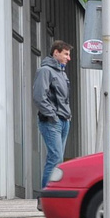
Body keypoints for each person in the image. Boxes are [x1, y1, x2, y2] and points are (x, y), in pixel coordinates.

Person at [33, 40, 73, 191]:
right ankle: (46, 197)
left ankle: (52, 196)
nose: (68, 58)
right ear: (56, 52)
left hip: (64, 121)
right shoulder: (45, 71)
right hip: (52, 121)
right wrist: (52, 116)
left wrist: (66, 116)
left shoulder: (61, 72)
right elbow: (39, 96)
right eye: (66, 54)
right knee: (55, 158)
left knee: (58, 160)